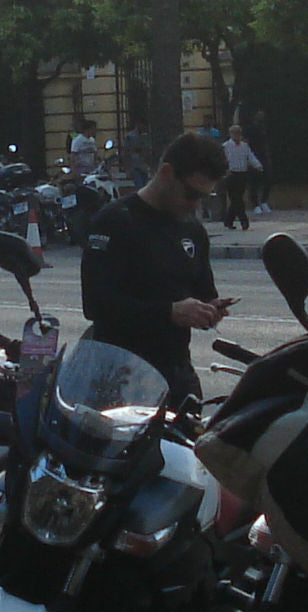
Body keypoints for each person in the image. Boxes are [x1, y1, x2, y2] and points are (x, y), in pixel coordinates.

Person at [78, 131, 233, 408]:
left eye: (204, 197)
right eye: (191, 193)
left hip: (175, 376)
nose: (195, 204)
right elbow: (97, 304)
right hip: (120, 377)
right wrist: (170, 312)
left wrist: (210, 309)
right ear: (166, 173)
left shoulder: (192, 230)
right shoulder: (114, 222)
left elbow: (201, 290)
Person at [220, 124, 263, 230]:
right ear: (231, 134)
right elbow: (222, 161)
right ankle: (244, 221)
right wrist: (224, 172)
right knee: (236, 199)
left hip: (242, 174)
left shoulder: (245, 146)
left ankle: (228, 221)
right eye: (234, 133)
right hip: (231, 174)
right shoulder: (225, 146)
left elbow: (250, 156)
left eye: (238, 133)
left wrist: (258, 165)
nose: (236, 135)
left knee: (236, 199)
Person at [243, 109, 272, 213]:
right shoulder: (250, 129)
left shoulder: (264, 128)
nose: (261, 116)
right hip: (254, 156)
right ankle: (255, 204)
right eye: (259, 114)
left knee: (268, 179)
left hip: (264, 157)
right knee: (254, 182)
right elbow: (246, 143)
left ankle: (264, 202)